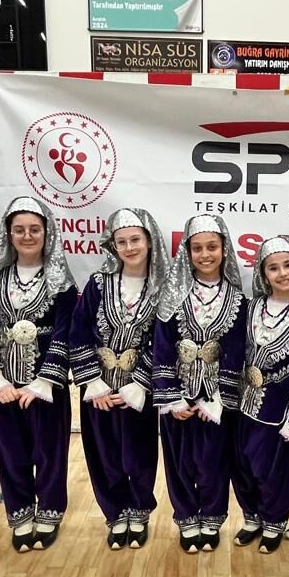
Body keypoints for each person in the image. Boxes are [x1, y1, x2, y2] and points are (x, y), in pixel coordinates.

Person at [0, 196, 78, 552]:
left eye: (35, 229)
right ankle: (19, 515)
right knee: (10, 452)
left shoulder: (61, 281)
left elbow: (65, 333)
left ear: (47, 233)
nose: (28, 236)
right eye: (19, 230)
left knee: (50, 453)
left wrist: (43, 382)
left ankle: (49, 512)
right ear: (9, 234)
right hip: (4, 385)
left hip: (47, 387)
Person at [70, 207, 167, 551]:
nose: (129, 247)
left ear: (149, 241)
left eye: (135, 239)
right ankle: (115, 515)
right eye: (121, 241)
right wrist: (93, 382)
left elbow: (164, 340)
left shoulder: (164, 287)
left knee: (139, 453)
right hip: (98, 388)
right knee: (103, 454)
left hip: (139, 391)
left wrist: (139, 384)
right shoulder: (99, 283)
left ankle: (139, 512)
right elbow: (79, 332)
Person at [154, 214, 247, 553]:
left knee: (213, 462)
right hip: (178, 395)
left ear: (224, 249)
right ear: (187, 252)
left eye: (212, 247)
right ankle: (186, 518)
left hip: (215, 400)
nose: (205, 254)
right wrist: (171, 397)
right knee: (179, 462)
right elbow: (162, 345)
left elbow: (237, 350)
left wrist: (219, 399)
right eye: (197, 248)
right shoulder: (173, 294)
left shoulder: (237, 299)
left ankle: (212, 517)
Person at [232, 236, 289, 554]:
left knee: (268, 467)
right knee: (241, 463)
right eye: (273, 268)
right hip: (243, 402)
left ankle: (274, 519)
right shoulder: (252, 307)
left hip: (277, 408)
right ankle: (251, 516)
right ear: (263, 273)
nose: (282, 273)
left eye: (287, 265)